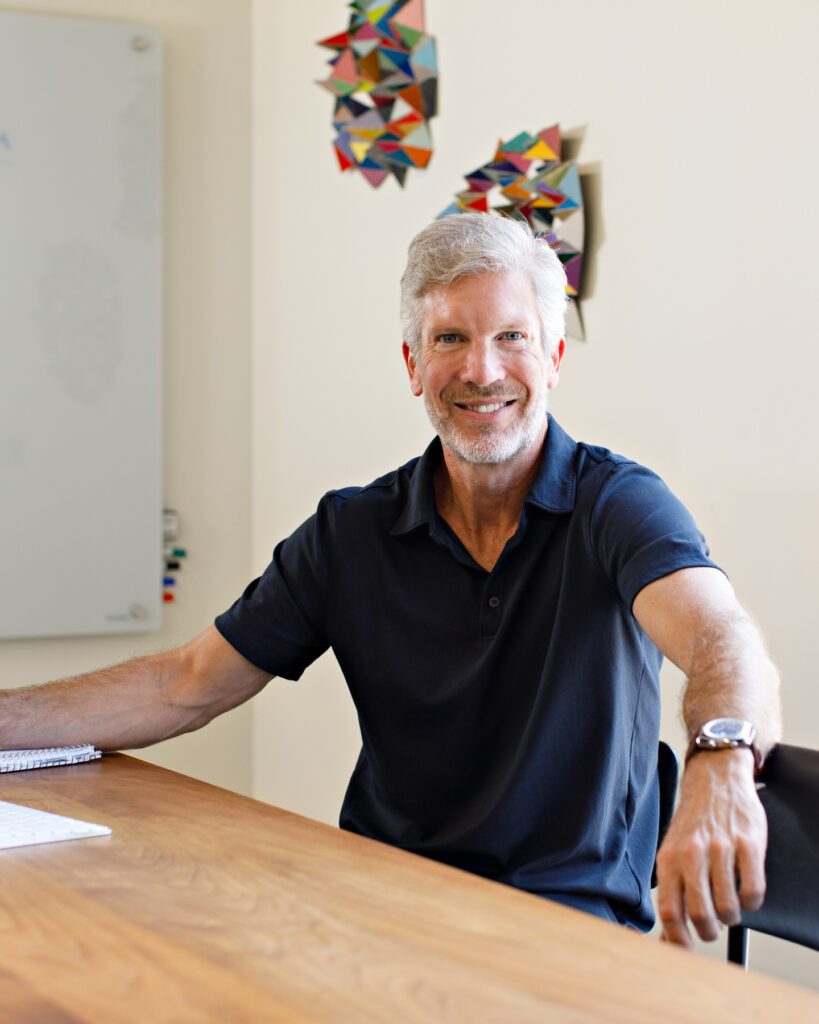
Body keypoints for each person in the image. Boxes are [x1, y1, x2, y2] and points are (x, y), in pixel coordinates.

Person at [0, 213, 781, 948]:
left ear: (552, 359)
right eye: (450, 337)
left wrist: (720, 763)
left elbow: (720, 639)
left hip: (563, 929)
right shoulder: (350, 531)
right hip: (373, 906)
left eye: (512, 335)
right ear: (414, 365)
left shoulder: (616, 503)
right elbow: (186, 683)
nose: (482, 369)